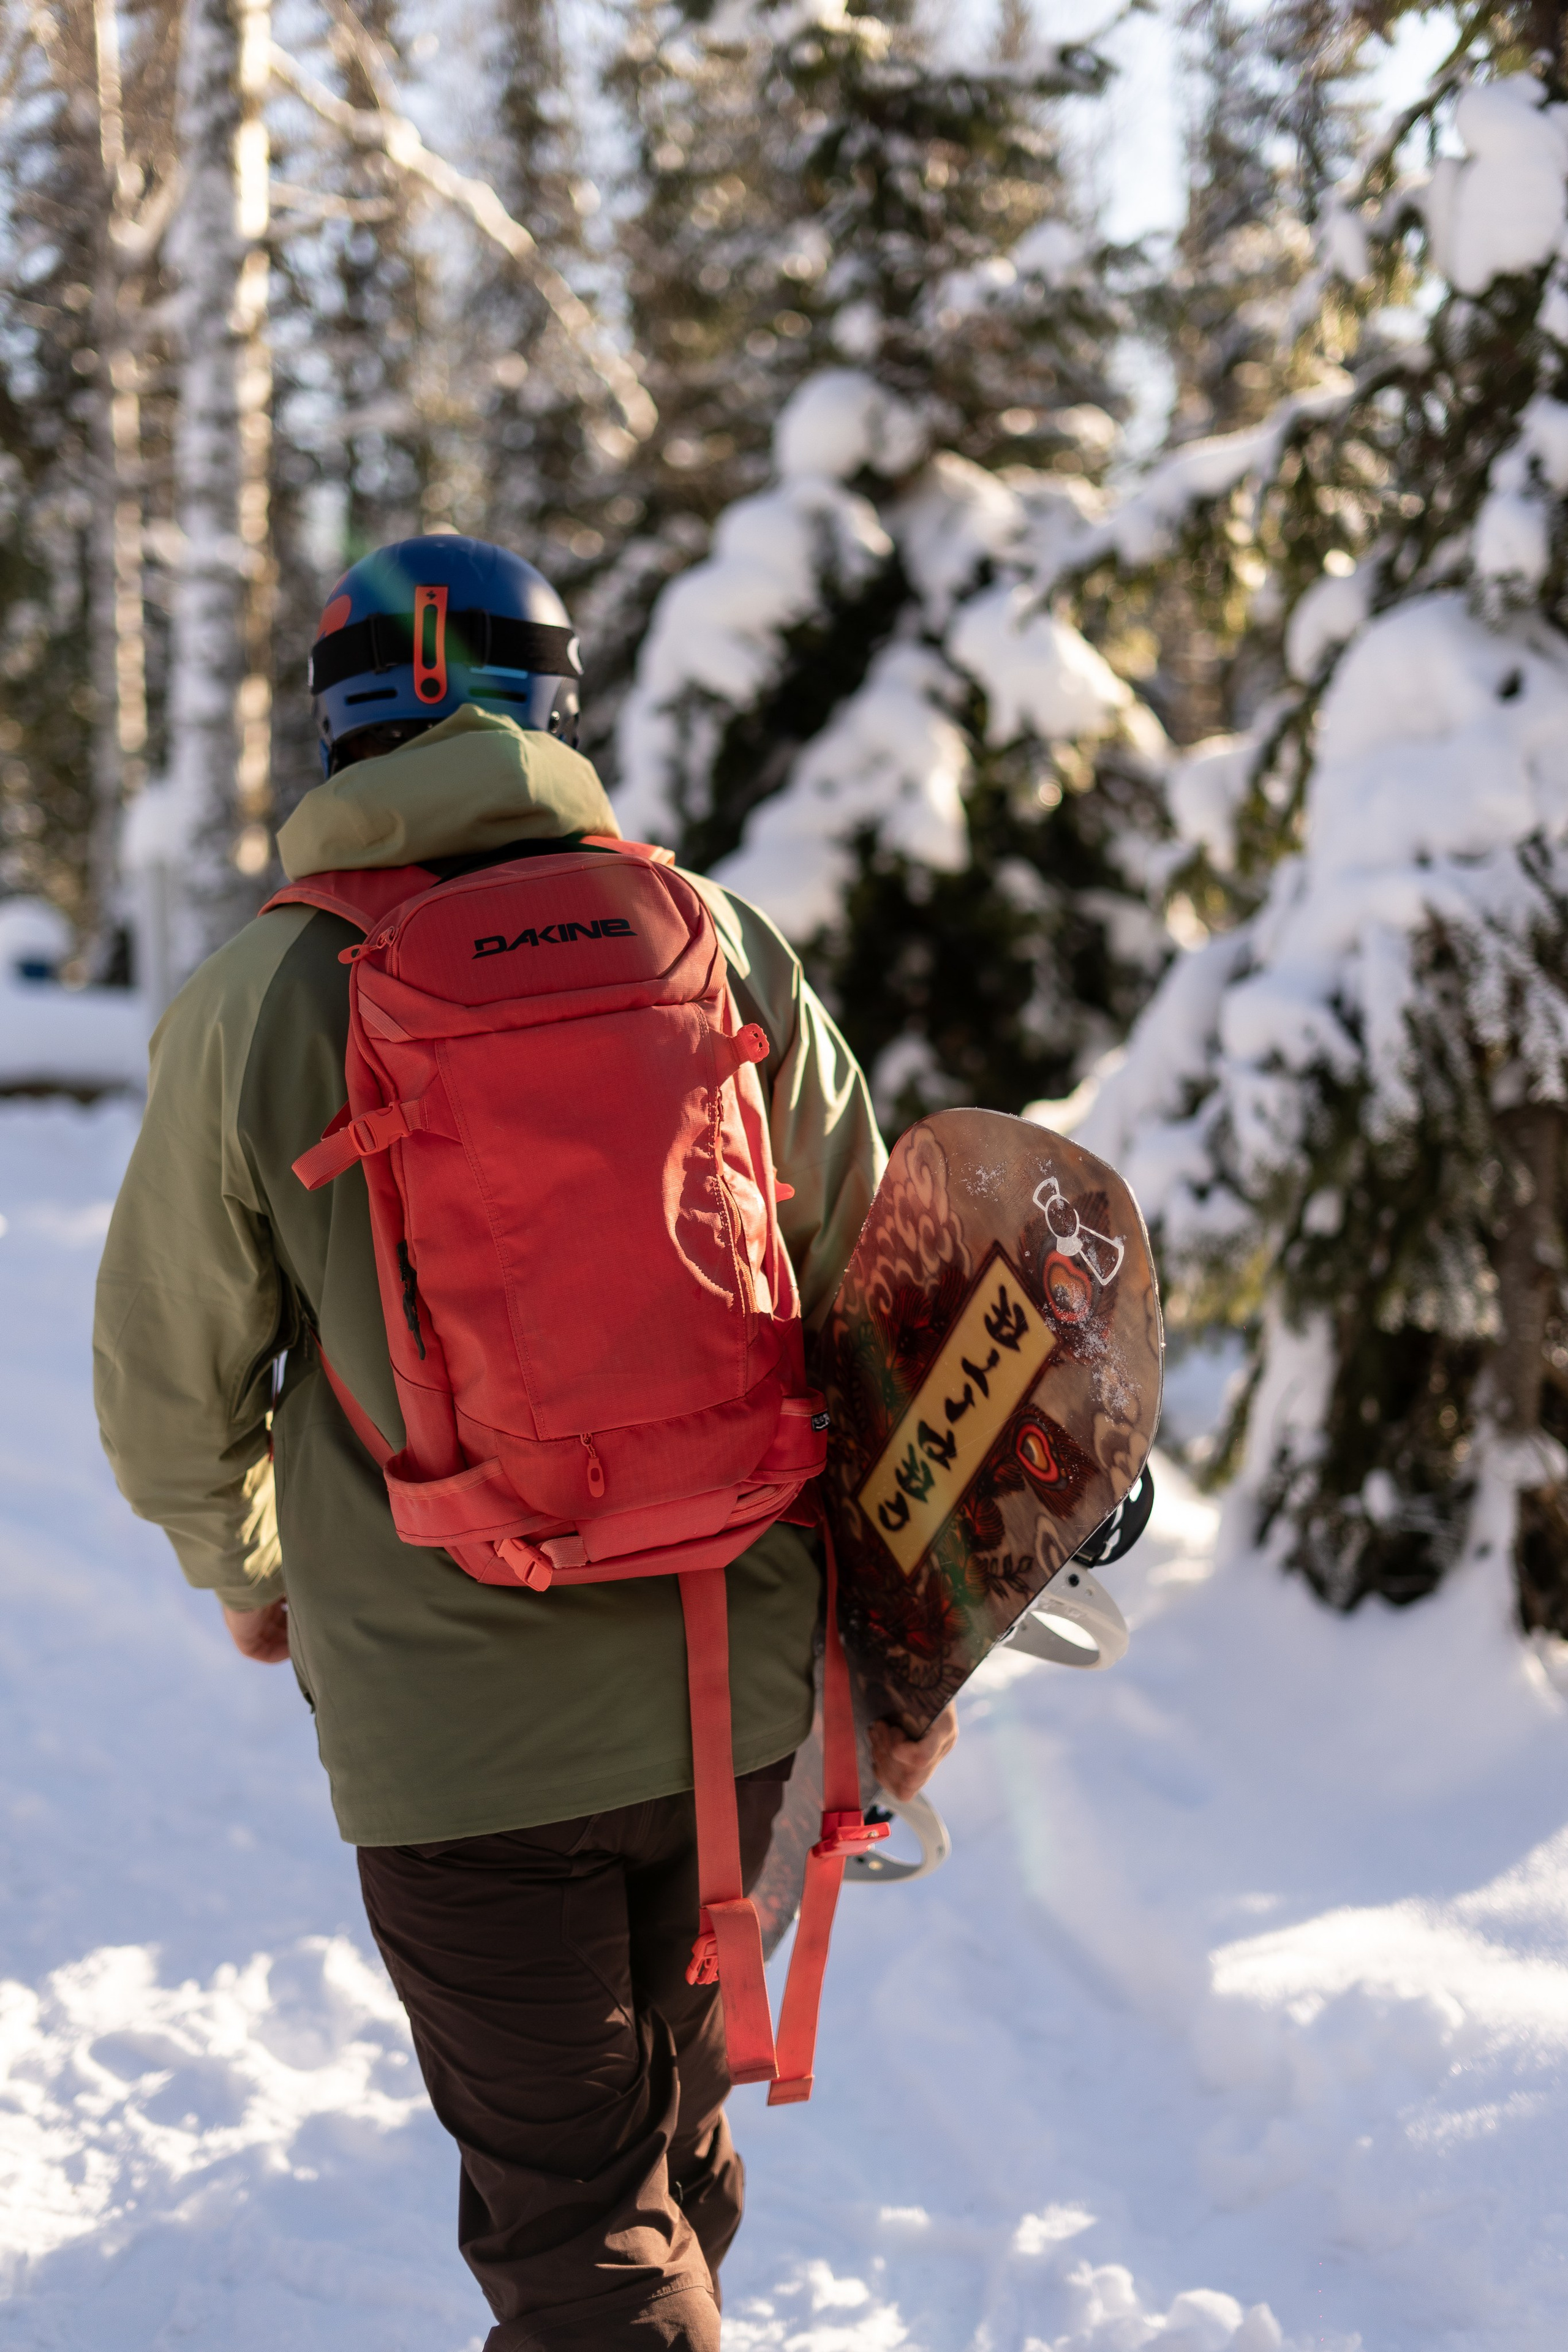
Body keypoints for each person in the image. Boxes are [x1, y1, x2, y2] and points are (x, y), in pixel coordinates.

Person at [93, 535, 959, 2352]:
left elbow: (168, 1388)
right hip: (739, 1682)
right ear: (554, 706)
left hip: (453, 1731)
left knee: (572, 2212)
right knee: (660, 2143)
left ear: (336, 730)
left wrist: (255, 1576)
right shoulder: (710, 941)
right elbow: (873, 1288)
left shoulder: (262, 1001)